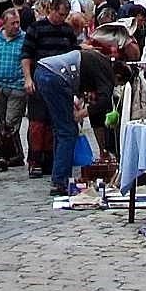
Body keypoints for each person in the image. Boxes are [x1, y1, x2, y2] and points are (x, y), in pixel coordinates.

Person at [32, 41, 116, 196]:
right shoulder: (106, 73)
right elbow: (104, 100)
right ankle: (59, 181)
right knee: (68, 132)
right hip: (54, 77)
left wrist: (77, 105)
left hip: (42, 71)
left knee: (61, 129)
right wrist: (82, 114)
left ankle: (59, 176)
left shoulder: (93, 61)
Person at [20, 0, 80, 179]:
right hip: (40, 79)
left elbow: (74, 55)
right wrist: (28, 78)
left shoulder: (68, 31)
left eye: (66, 15)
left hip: (62, 83)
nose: (62, 18)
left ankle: (53, 160)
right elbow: (26, 54)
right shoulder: (36, 29)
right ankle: (35, 160)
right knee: (38, 123)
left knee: (58, 122)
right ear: (51, 10)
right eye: (60, 14)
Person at [0, 6, 28, 172]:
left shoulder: (25, 38)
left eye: (18, 22)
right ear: (4, 24)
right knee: (2, 123)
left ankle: (3, 155)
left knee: (10, 123)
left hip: (17, 85)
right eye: (13, 23)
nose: (16, 26)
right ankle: (16, 154)